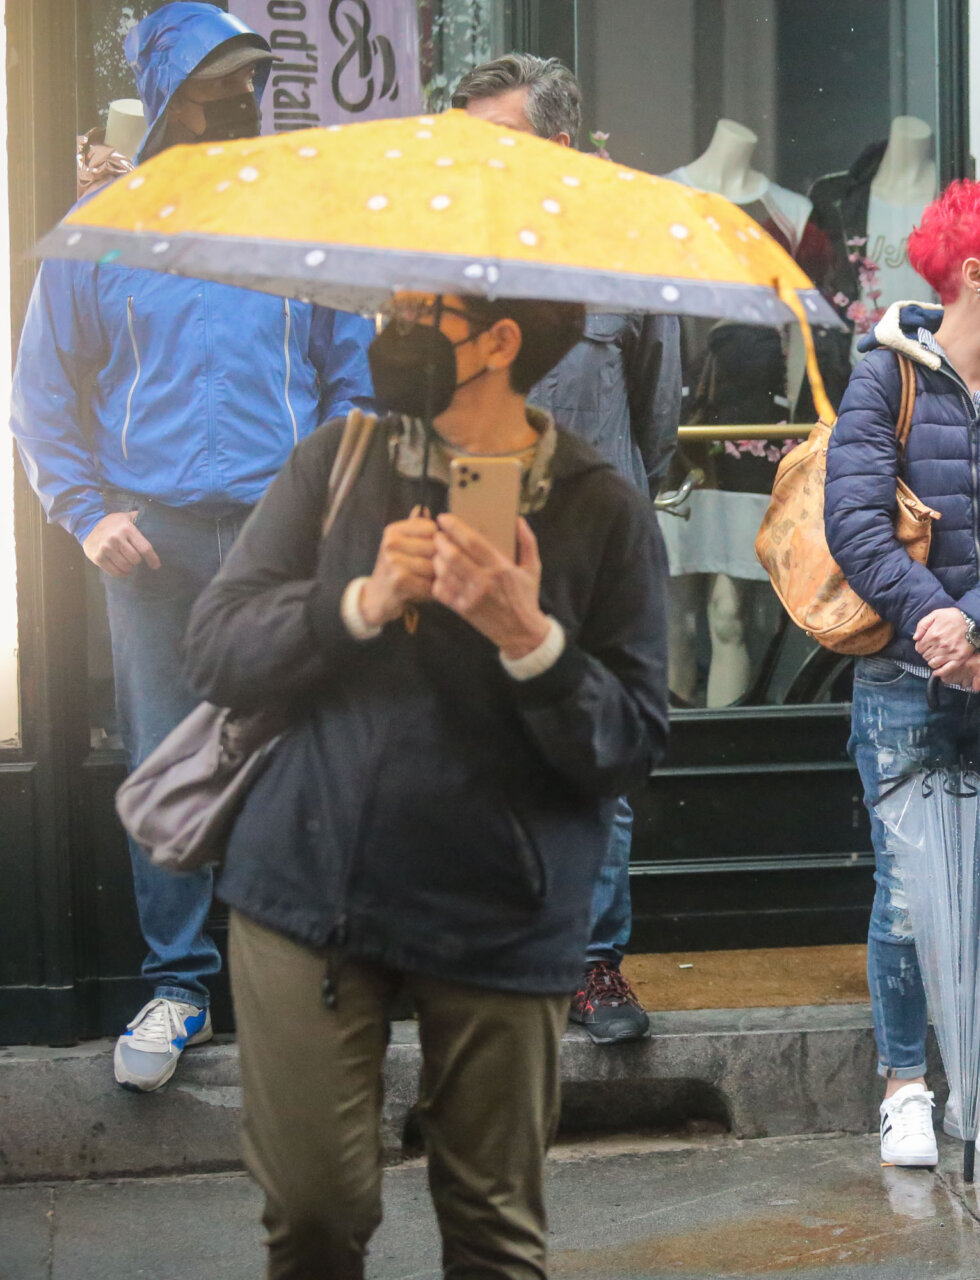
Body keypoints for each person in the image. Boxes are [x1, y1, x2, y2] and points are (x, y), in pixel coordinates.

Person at [183, 289, 670, 1276]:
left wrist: (529, 640)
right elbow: (215, 646)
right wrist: (357, 600)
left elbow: (629, 743)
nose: (390, 330)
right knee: (315, 1210)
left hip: (501, 903)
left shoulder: (597, 503)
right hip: (311, 885)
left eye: (423, 314)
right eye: (391, 307)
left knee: (494, 1232)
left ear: (500, 339)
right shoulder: (339, 460)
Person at [9, 1, 373, 1093]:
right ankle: (178, 985)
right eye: (211, 85)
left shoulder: (292, 222)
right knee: (170, 756)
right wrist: (86, 512)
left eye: (246, 83)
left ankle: (293, 977)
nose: (233, 102)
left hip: (276, 532)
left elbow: (349, 380)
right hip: (153, 541)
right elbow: (38, 398)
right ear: (166, 94)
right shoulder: (104, 228)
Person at [824, 179, 980, 1169]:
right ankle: (905, 1086)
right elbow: (852, 518)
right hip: (903, 677)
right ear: (976, 275)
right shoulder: (882, 374)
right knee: (908, 889)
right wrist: (931, 620)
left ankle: (977, 1078)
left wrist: (972, 617)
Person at [454, 51, 683, 1047]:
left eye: (493, 137)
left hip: (592, 530)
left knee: (596, 749)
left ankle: (594, 964)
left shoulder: (624, 245)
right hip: (476, 511)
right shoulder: (445, 252)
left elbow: (660, 415)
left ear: (552, 143)